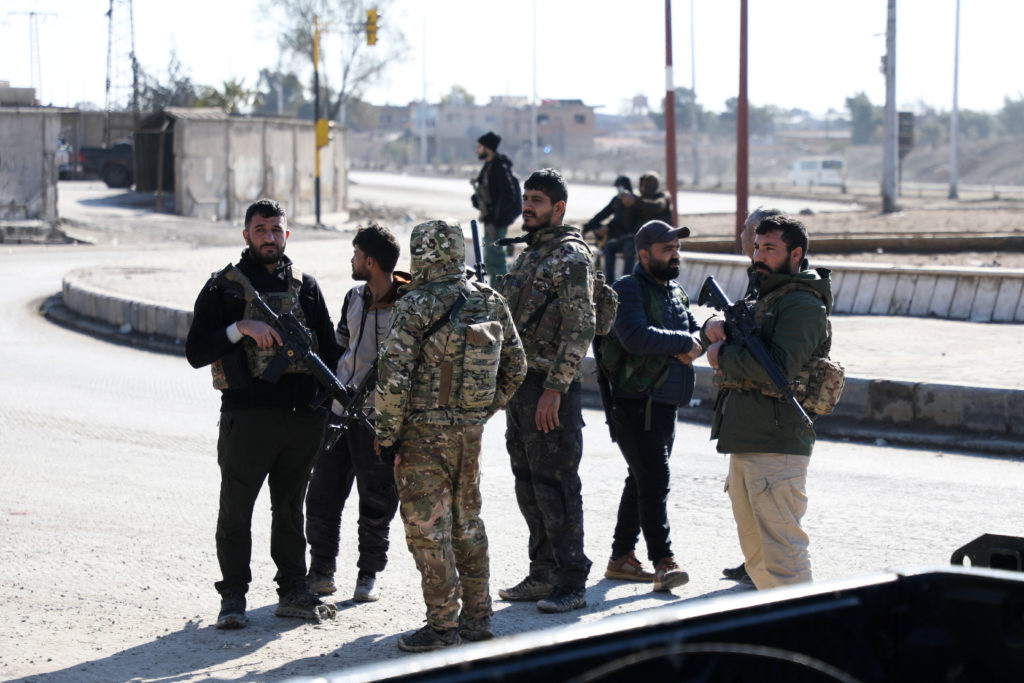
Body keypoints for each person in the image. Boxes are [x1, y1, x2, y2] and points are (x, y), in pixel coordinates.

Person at [185, 198, 340, 629]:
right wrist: (241, 329)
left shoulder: (306, 287)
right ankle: (233, 595)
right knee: (236, 509)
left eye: (276, 229)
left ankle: (293, 589)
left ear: (286, 235)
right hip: (247, 416)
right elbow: (196, 351)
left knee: (290, 510)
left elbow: (329, 351)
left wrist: (325, 407)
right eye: (260, 229)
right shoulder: (224, 289)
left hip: (301, 418)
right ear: (246, 235)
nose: (269, 237)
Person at [375, 219, 527, 652]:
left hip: (423, 434)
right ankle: (478, 618)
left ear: (420, 255)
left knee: (429, 530)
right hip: (469, 433)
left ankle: (442, 626)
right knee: (467, 524)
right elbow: (516, 367)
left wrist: (386, 436)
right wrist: (482, 410)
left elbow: (394, 377)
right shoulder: (489, 299)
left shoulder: (416, 303)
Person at [701, 214, 831, 590]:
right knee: (758, 558)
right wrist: (712, 326)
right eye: (757, 247)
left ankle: (804, 633)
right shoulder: (764, 295)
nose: (759, 255)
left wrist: (720, 356)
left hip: (777, 444)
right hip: (746, 439)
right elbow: (727, 333)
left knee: (784, 559)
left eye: (770, 248)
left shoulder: (803, 304)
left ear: (796, 255)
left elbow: (780, 367)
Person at [497, 168, 596, 614]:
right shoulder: (530, 254)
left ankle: (571, 580)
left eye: (537, 200)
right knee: (528, 483)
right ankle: (542, 573)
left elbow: (582, 327)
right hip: (520, 386)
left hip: (549, 388)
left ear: (558, 208)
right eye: (526, 198)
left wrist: (556, 388)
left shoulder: (571, 257)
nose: (527, 206)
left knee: (557, 484)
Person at [304, 224, 409, 603]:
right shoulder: (353, 296)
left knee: (377, 499)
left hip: (378, 419)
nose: (351, 260)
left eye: (355, 254)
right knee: (321, 497)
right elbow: (340, 347)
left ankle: (367, 574)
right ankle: (321, 571)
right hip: (338, 412)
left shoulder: (407, 304)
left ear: (370, 261)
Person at [598, 220, 702, 592]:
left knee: (641, 479)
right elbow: (634, 336)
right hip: (634, 403)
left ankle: (621, 557)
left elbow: (695, 334)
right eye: (666, 249)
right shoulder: (627, 289)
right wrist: (682, 343)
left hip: (664, 404)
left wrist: (707, 333)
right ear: (644, 255)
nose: (675, 255)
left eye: (677, 248)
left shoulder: (674, 291)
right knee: (655, 480)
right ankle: (663, 561)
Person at [722, 205, 783, 587]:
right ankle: (754, 561)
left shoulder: (780, 281)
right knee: (745, 494)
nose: (743, 236)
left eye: (748, 229)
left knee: (771, 496)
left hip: (770, 405)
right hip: (747, 402)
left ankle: (769, 568)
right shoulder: (756, 274)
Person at [471, 131, 520, 278]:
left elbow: (508, 195)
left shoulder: (499, 167)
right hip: (490, 219)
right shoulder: (489, 166)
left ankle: (500, 293)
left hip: (496, 221)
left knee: (496, 258)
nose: (477, 150)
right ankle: (496, 290)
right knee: (491, 259)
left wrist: (494, 218)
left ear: (488, 149)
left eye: (480, 146)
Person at [619, 171, 674, 276]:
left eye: (646, 185)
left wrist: (636, 202)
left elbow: (657, 207)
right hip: (640, 238)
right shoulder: (640, 199)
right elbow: (628, 224)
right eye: (642, 185)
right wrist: (628, 207)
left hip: (658, 238)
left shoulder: (662, 197)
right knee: (612, 245)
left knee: (631, 247)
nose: (643, 188)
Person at [582, 175, 632, 281]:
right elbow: (602, 214)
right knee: (609, 246)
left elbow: (621, 219)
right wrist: (587, 228)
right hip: (617, 239)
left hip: (629, 238)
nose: (618, 189)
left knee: (629, 248)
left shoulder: (633, 201)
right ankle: (609, 282)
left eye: (620, 187)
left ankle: (627, 280)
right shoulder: (617, 200)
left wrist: (608, 227)